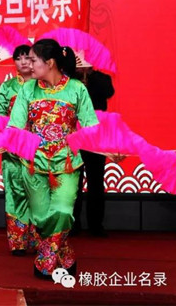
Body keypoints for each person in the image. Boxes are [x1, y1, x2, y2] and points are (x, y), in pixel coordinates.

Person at [7, 38, 98, 280]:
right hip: (33, 164)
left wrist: (110, 149)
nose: (28, 65)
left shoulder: (76, 89)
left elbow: (91, 126)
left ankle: (46, 259)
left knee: (63, 211)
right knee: (40, 218)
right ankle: (64, 252)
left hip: (66, 163)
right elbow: (15, 126)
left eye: (33, 60)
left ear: (49, 63)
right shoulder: (28, 89)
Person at [0, 45, 36, 256]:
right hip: (13, 150)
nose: (23, 62)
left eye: (27, 57)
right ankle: (18, 242)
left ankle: (39, 240)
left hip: (39, 150)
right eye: (19, 58)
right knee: (15, 193)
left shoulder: (44, 85)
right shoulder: (8, 87)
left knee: (38, 194)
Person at [72, 67, 115, 237]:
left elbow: (109, 92)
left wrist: (90, 79)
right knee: (73, 182)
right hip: (75, 136)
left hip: (96, 138)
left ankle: (96, 225)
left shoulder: (101, 78)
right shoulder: (68, 78)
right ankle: (73, 224)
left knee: (96, 182)